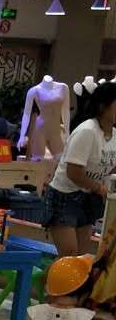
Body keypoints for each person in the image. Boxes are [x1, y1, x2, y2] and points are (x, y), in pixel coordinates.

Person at [42, 79, 116, 256]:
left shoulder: (114, 135)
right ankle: (47, 275)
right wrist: (100, 188)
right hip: (64, 196)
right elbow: (74, 172)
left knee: (81, 257)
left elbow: (111, 167)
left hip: (88, 198)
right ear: (103, 107)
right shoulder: (87, 131)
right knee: (69, 254)